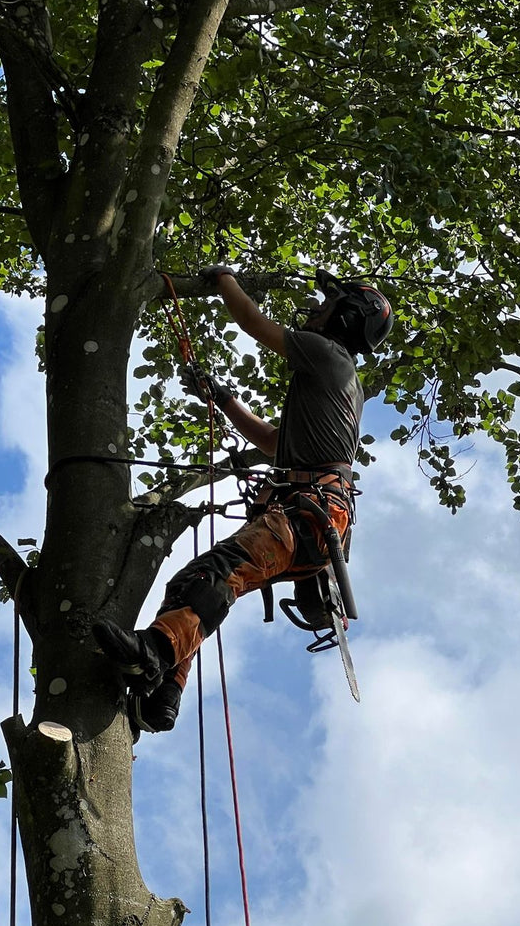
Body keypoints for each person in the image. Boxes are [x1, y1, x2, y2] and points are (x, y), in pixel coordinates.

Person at [94, 264, 393, 734]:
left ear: (347, 319)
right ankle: (164, 697)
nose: (315, 310)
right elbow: (275, 443)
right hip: (306, 515)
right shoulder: (336, 380)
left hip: (308, 513)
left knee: (218, 573)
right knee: (194, 581)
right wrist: (224, 399)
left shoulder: (326, 353)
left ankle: (154, 652)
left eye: (328, 305)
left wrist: (224, 280)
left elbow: (254, 324)